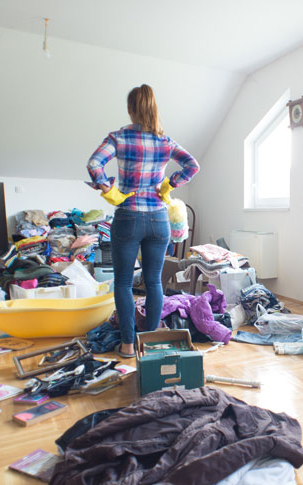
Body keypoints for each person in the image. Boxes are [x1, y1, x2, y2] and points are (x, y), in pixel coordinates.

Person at [87, 84, 199, 357]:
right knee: (153, 282)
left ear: (130, 110)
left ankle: (127, 345)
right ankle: (148, 343)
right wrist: (170, 183)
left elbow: (94, 164)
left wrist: (105, 186)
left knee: (124, 282)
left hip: (128, 216)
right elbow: (192, 165)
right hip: (158, 219)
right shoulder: (165, 141)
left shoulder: (119, 137)